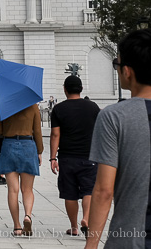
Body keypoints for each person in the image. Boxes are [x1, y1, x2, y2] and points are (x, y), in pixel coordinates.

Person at [84, 27, 151, 249]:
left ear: (127, 71)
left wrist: (92, 244)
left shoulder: (113, 116)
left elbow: (104, 191)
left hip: (130, 240)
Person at [50, 74, 101, 237]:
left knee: (70, 193)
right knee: (88, 191)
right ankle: (86, 219)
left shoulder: (58, 109)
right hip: (90, 156)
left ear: (65, 89)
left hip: (67, 157)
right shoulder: (93, 107)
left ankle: (73, 227)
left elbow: (55, 135)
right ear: (81, 89)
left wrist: (52, 158)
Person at [0, 101, 44, 237]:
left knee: (13, 190)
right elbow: (37, 130)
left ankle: (17, 227)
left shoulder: (3, 105)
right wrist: (39, 151)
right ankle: (27, 215)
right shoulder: (33, 105)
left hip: (9, 145)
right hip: (28, 145)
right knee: (27, 189)